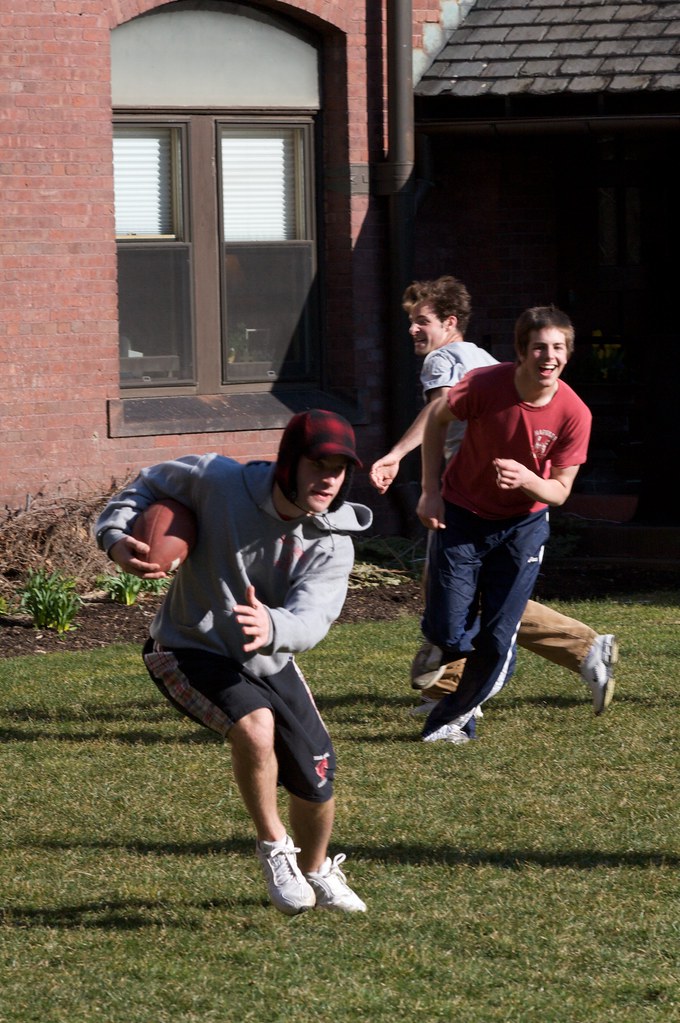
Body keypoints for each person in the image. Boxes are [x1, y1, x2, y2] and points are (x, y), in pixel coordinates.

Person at [94, 409, 371, 915]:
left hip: (267, 657)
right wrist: (115, 538)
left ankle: (316, 869)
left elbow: (313, 620)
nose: (329, 479)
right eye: (318, 464)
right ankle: (273, 847)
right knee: (255, 727)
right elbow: (144, 486)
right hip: (185, 645)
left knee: (317, 779)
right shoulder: (216, 480)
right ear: (289, 463)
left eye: (339, 469)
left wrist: (274, 627)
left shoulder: (333, 543)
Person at [369, 277, 616, 722]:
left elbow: (438, 410)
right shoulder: (483, 361)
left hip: (474, 499)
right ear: (523, 352)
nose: (412, 330)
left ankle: (580, 648)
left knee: (466, 600)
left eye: (420, 321)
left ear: (449, 322)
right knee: (460, 597)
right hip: (477, 497)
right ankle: (452, 688)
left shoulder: (444, 359)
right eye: (409, 321)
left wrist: (395, 456)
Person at [415, 304, 593, 744]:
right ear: (520, 351)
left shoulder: (575, 413)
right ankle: (445, 643)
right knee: (448, 626)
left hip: (523, 527)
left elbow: (561, 490)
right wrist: (430, 490)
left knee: (496, 638)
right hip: (461, 514)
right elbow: (437, 421)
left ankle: (451, 722)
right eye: (538, 347)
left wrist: (532, 481)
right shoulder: (484, 386)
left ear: (567, 354)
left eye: (556, 348)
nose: (547, 357)